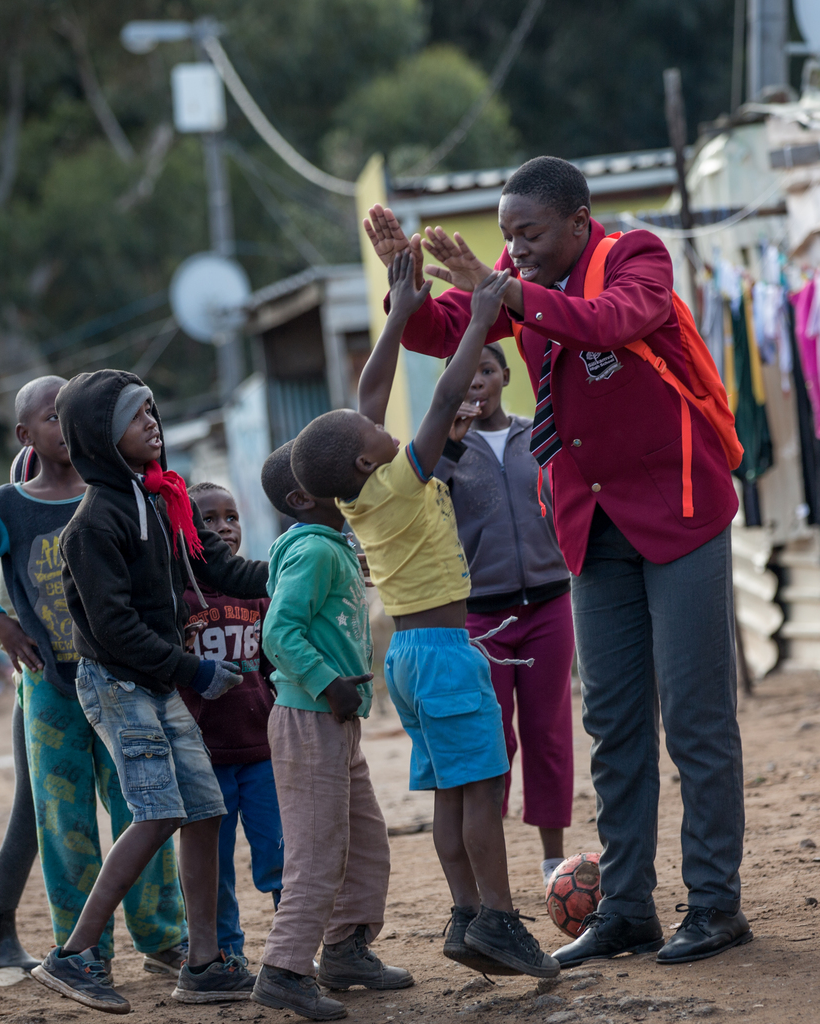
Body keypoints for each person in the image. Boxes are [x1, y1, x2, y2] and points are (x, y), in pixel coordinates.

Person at [365, 155, 750, 967]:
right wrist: (408, 290)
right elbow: (450, 332)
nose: (516, 248)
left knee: (696, 718)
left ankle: (715, 906)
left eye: (528, 233)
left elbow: (612, 321)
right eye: (507, 237)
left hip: (679, 511)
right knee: (611, 722)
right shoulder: (514, 280)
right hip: (591, 525)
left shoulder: (635, 256)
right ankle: (630, 910)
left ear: (578, 221)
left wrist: (504, 291)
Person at [291, 252, 557, 980]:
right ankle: (500, 917)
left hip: (408, 659)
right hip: (444, 650)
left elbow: (367, 394)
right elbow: (441, 402)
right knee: (481, 788)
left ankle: (467, 914)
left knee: (448, 785)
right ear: (365, 462)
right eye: (369, 433)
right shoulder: (401, 482)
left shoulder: (358, 490)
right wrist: (474, 322)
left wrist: (401, 314)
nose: (379, 426)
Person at [32, 369, 268, 1013]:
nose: (154, 425)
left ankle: (204, 964)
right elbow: (113, 629)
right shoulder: (91, 527)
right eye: (138, 418)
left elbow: (217, 567)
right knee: (160, 811)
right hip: (116, 684)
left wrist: (290, 570)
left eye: (154, 413)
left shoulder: (164, 501)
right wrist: (194, 672)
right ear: (101, 438)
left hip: (155, 680)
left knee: (205, 808)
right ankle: (75, 955)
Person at [0, 376, 187, 976]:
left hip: (121, 679)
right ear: (26, 434)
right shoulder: (6, 506)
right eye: (49, 419)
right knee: (63, 818)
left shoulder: (116, 490)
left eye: (69, 415)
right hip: (49, 689)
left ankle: (162, 937)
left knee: (141, 805)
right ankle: (85, 951)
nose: (63, 427)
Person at [249, 443, 411, 1021]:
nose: (358, 472)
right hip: (310, 718)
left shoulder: (333, 546)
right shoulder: (313, 553)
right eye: (343, 468)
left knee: (366, 844)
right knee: (317, 855)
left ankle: (345, 951)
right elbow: (278, 633)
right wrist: (327, 682)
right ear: (302, 496)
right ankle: (284, 970)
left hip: (337, 724)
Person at [436, 342, 576, 884]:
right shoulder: (442, 448)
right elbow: (428, 500)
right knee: (492, 739)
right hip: (480, 618)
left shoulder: (534, 433)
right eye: (465, 373)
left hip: (548, 603)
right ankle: (487, 858)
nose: (476, 382)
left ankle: (551, 858)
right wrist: (450, 441)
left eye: (487, 370)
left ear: (505, 376)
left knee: (549, 733)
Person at [177, 481, 284, 961]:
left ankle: (291, 949)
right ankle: (225, 954)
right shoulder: (178, 597)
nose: (223, 528)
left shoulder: (260, 593)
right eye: (208, 519)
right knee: (214, 869)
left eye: (232, 516)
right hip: (205, 760)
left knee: (283, 858)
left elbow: (270, 668)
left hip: (262, 754)